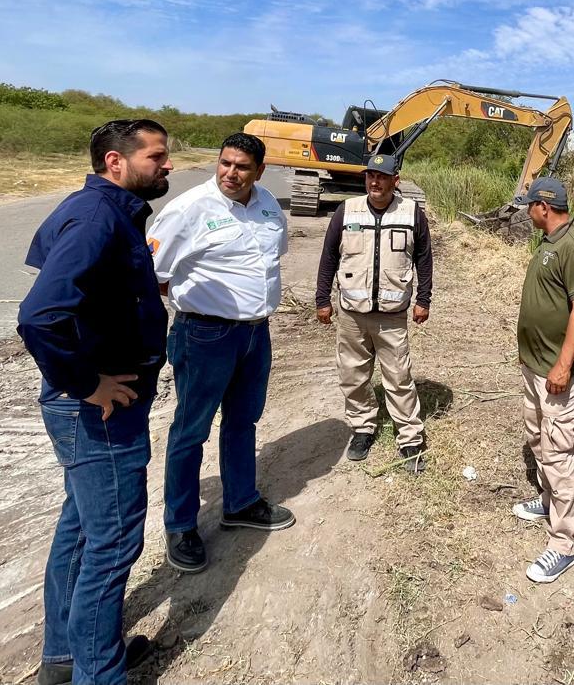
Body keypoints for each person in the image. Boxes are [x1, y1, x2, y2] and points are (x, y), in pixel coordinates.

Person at [18, 119, 173, 685]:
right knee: (112, 544)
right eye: (156, 156)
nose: (167, 165)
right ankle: (100, 675)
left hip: (95, 407)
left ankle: (66, 659)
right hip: (99, 412)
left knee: (81, 529)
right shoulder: (94, 218)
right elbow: (38, 317)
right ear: (115, 161)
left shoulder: (108, 214)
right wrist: (86, 384)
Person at [145, 132, 295, 574]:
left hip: (255, 334)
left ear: (259, 171)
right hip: (204, 336)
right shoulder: (188, 209)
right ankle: (181, 524)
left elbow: (270, 261)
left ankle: (241, 502)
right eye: (225, 163)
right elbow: (153, 274)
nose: (231, 173)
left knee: (243, 421)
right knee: (190, 431)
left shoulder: (269, 205)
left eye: (242, 167)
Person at [315, 154, 432, 471]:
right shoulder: (347, 210)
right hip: (352, 313)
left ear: (396, 180)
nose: (375, 182)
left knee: (399, 377)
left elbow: (424, 258)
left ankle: (410, 439)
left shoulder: (411, 213)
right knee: (353, 374)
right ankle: (363, 428)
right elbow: (328, 257)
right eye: (370, 176)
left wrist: (424, 299)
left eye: (382, 176)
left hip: (392, 315)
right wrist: (321, 299)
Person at [510, 177, 574, 584]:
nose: (527, 211)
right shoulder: (551, 242)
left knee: (561, 455)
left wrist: (563, 366)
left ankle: (564, 544)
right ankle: (548, 500)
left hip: (555, 373)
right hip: (535, 366)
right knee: (538, 439)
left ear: (544, 207)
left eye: (530, 205)